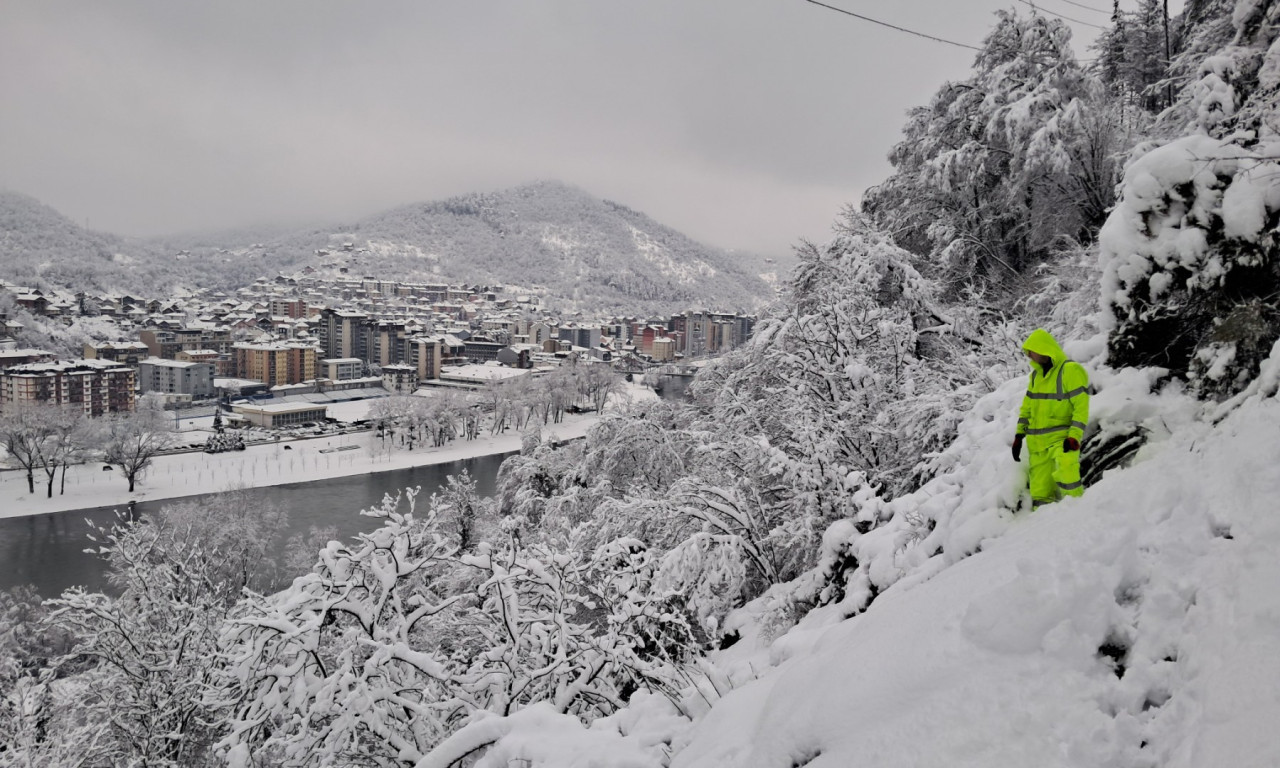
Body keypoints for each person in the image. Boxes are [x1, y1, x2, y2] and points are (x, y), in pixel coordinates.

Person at [1011, 328, 1089, 508]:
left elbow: (1081, 407)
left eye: (1032, 351)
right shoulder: (1036, 377)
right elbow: (1027, 408)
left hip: (1061, 440)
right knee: (1040, 494)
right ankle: (1042, 528)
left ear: (1043, 349)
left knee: (1067, 473)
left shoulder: (1070, 371)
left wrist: (1074, 436)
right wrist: (1019, 436)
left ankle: (1080, 512)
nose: (1029, 355)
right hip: (1037, 444)